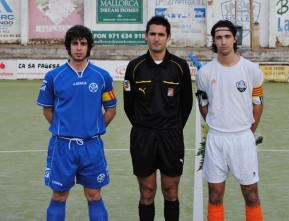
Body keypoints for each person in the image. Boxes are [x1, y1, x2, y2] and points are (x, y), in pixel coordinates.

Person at [36, 25, 117, 221]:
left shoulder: (102, 76)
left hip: (92, 146)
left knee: (94, 195)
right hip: (62, 146)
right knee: (59, 196)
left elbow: (111, 109)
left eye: (83, 43)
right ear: (68, 46)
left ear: (89, 46)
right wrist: (65, 128)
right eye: (74, 43)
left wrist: (94, 127)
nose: (79, 48)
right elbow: (48, 110)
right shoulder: (53, 76)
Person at [123, 16, 193, 221]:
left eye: (161, 34)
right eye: (152, 34)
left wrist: (172, 127)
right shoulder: (134, 67)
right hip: (143, 136)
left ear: (168, 37)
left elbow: (186, 104)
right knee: (147, 192)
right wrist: (144, 125)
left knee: (171, 192)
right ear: (146, 36)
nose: (156, 39)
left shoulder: (180, 67)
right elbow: (129, 105)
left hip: (171, 136)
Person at [195, 20, 264, 221]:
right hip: (216, 140)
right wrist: (217, 124)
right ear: (214, 41)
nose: (223, 42)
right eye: (218, 37)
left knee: (251, 195)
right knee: (215, 196)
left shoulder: (252, 70)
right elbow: (203, 105)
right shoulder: (204, 73)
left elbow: (258, 105)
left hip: (243, 139)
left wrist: (249, 132)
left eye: (227, 37)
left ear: (235, 38)